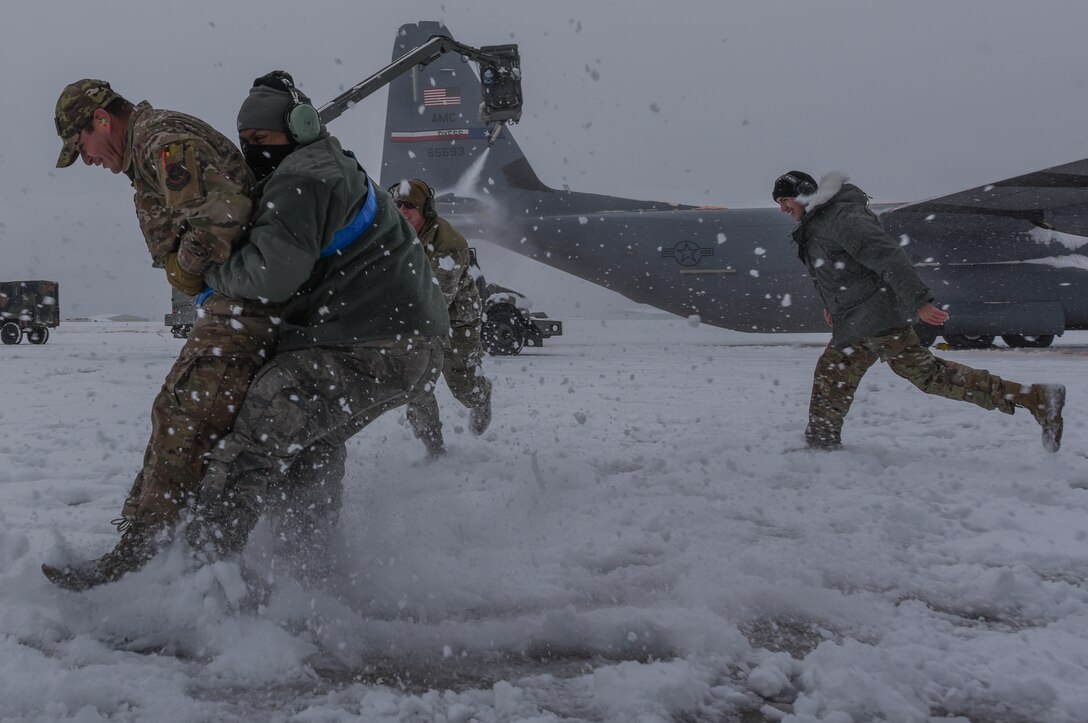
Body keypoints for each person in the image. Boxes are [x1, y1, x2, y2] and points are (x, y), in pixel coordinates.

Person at [190, 72, 449, 569]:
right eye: (245, 143)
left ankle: (199, 577)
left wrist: (213, 274)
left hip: (370, 343)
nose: (253, 152)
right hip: (409, 344)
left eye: (262, 140)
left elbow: (271, 276)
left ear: (302, 126)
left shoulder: (303, 177)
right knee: (310, 442)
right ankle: (307, 567)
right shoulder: (332, 164)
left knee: (254, 438)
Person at [44, 80, 280, 590]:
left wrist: (189, 268)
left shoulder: (161, 141)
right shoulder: (151, 150)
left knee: (184, 421)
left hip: (249, 306)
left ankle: (141, 562)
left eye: (80, 145)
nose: (85, 160)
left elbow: (222, 216)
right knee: (174, 413)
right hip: (237, 303)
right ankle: (144, 547)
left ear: (101, 121)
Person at [773, 170, 1066, 452]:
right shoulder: (822, 222)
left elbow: (887, 255)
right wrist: (831, 305)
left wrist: (920, 301)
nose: (783, 208)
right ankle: (821, 443)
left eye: (785, 201)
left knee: (929, 376)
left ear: (803, 194)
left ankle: (1036, 398)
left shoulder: (842, 218)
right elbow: (839, 271)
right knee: (831, 375)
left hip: (876, 317)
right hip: (854, 318)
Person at [391, 178, 493, 457]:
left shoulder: (448, 244)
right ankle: (434, 449)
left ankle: (481, 396)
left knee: (463, 385)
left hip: (456, 321)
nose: (402, 210)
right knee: (415, 386)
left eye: (410, 205)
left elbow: (436, 300)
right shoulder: (395, 234)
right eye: (398, 204)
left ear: (425, 209)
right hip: (414, 321)